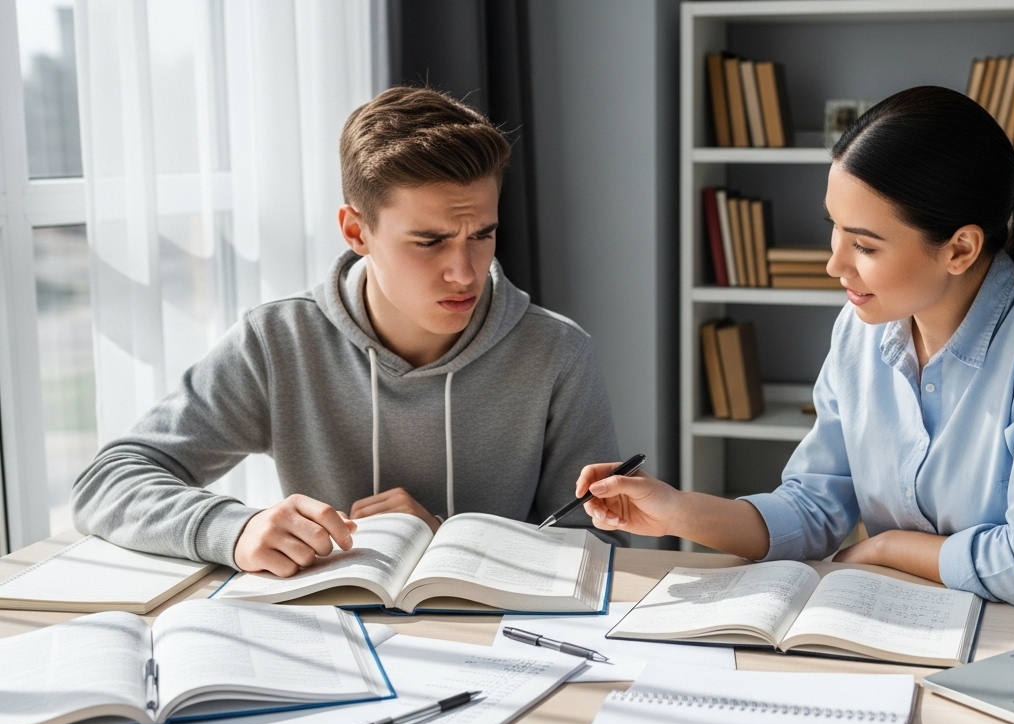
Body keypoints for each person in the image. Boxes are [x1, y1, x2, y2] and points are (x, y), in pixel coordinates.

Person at [578, 86, 1014, 611]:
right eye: (836, 230)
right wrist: (676, 510)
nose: (834, 265)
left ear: (961, 249)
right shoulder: (861, 330)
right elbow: (813, 509)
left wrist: (888, 548)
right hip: (897, 625)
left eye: (865, 245)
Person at [73, 87, 622, 577]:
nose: (464, 271)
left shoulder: (557, 353)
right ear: (356, 230)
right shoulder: (277, 342)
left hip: (504, 648)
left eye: (482, 234)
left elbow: (602, 545)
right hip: (322, 640)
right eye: (430, 241)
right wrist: (234, 530)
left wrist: (452, 541)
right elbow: (108, 482)